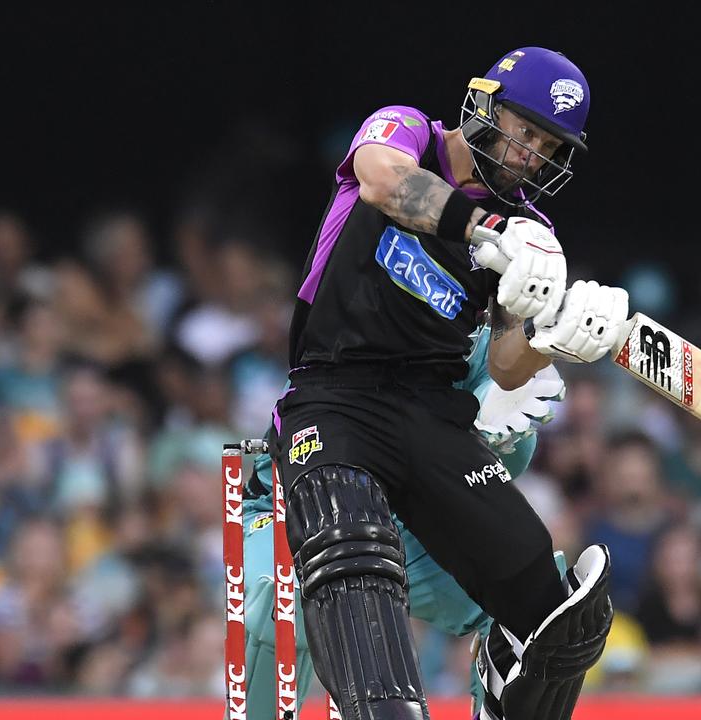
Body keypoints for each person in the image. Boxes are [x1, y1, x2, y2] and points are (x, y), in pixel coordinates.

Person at [268, 47, 629, 720]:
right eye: (527, 131)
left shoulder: (532, 230)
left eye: (550, 147)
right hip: (335, 395)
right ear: (486, 105)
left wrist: (553, 340)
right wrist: (482, 229)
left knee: (558, 621)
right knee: (352, 555)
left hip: (433, 417)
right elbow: (381, 180)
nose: (533, 156)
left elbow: (504, 365)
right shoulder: (408, 131)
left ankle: (500, 682)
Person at [242, 327, 562, 719]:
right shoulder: (371, 322)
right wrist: (466, 427)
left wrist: (499, 439)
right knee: (285, 597)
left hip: (401, 525)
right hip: (290, 513)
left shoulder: (484, 343)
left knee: (540, 607)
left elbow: (491, 481)